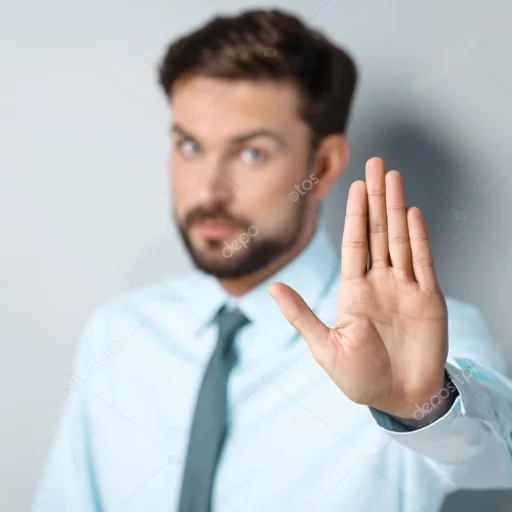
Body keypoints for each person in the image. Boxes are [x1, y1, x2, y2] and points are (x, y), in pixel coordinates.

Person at [32, 8, 512, 512]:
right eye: (190, 146)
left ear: (323, 165)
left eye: (252, 153)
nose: (209, 190)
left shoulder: (412, 345)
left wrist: (421, 406)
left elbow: (497, 458)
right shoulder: (118, 333)